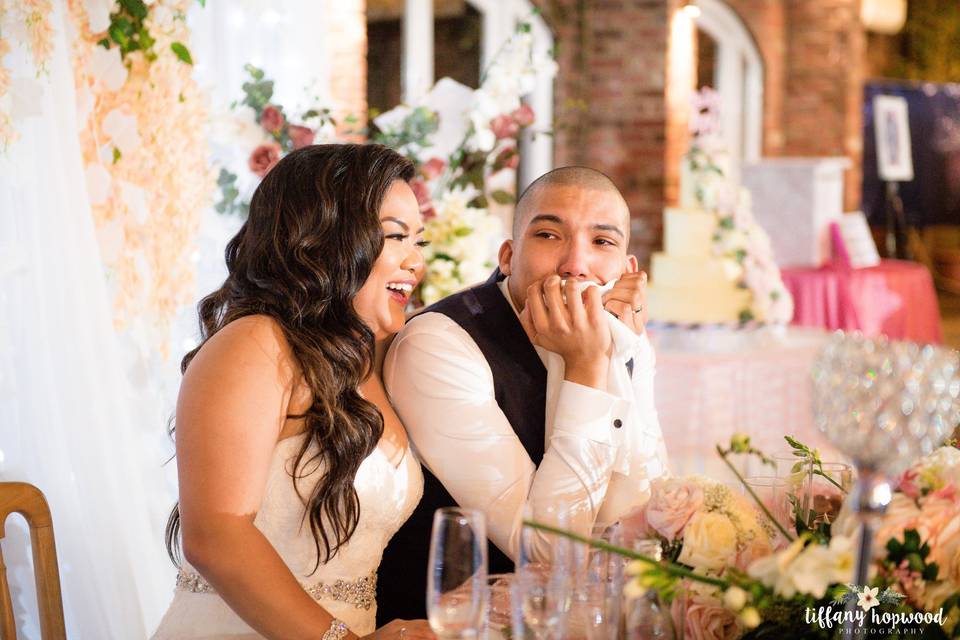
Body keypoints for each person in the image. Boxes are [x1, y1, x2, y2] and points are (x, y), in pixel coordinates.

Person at [152, 144, 435, 640]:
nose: (416, 261)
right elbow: (215, 534)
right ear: (326, 238)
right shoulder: (255, 342)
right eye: (395, 237)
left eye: (419, 241)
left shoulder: (378, 361)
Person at [377, 166, 670, 623]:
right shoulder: (439, 344)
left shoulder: (621, 336)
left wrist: (621, 356)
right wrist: (588, 367)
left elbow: (641, 510)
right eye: (550, 235)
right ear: (509, 255)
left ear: (628, 271)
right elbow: (550, 552)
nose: (576, 263)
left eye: (602, 242)